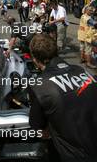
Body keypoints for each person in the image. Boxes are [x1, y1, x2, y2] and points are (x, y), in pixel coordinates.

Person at [29, 33, 97, 162]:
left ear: (34, 59)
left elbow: (40, 130)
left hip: (74, 155)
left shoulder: (39, 85)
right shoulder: (82, 71)